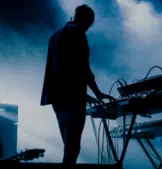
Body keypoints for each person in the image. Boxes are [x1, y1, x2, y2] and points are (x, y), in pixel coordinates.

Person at [40, 4, 115, 164]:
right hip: (72, 97)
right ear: (87, 21)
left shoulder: (54, 36)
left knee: (68, 145)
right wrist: (96, 92)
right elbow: (83, 68)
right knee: (73, 147)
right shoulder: (78, 34)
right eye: (89, 25)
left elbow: (57, 69)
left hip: (56, 97)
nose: (88, 29)